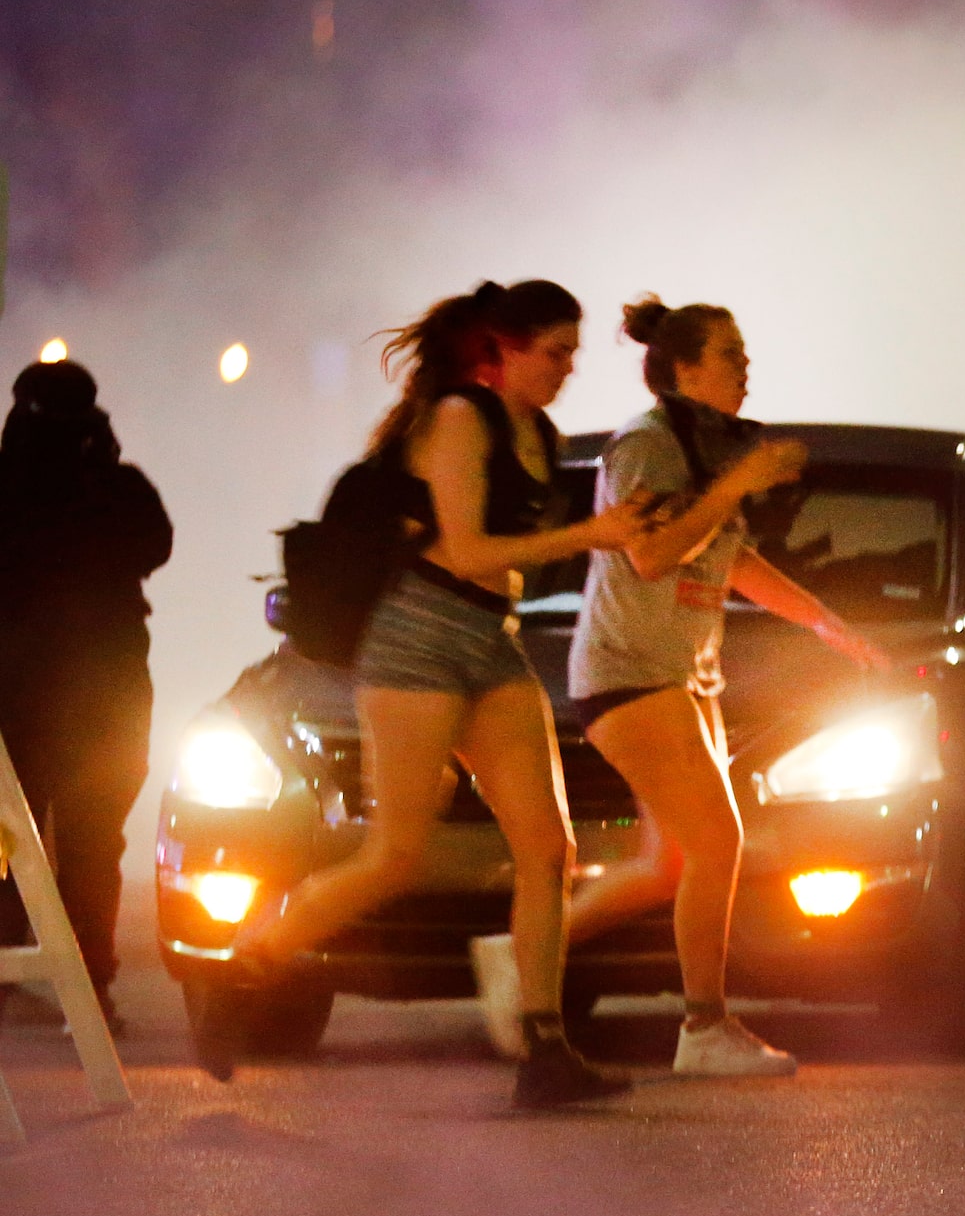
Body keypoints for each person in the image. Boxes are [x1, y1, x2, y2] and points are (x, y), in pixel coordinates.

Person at [199, 281, 650, 1109]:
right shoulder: (457, 419)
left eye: (573, 354)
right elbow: (471, 550)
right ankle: (246, 970)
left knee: (547, 849)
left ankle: (544, 1048)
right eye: (554, 351)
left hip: (489, 641)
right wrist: (598, 534)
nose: (565, 369)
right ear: (502, 349)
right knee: (395, 855)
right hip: (418, 641)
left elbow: (509, 562)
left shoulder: (539, 433)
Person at [471, 296, 891, 1077]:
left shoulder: (704, 449)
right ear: (685, 369)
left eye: (743, 354)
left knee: (669, 864)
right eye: (730, 354)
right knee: (719, 841)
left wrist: (830, 624)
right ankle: (704, 1027)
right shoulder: (647, 446)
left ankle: (519, 951)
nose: (745, 368)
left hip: (681, 676)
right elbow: (653, 554)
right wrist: (738, 484)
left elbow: (729, 560)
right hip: (629, 672)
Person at [0, 361, 171, 1032]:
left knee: (10, 839)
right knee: (95, 844)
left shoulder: (9, 485)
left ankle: (16, 967)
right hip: (112, 687)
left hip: (19, 689)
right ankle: (89, 990)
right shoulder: (118, 485)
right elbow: (155, 545)